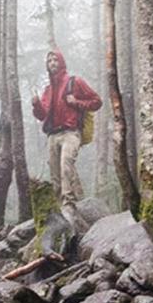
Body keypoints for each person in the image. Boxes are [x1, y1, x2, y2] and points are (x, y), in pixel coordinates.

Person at [30, 48, 102, 208]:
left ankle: (69, 203)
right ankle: (63, 207)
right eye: (49, 61)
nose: (52, 63)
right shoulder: (48, 90)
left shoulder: (75, 82)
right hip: (52, 136)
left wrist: (76, 102)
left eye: (55, 60)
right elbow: (42, 116)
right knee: (55, 174)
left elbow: (97, 101)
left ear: (61, 62)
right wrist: (36, 104)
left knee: (66, 166)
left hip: (71, 133)